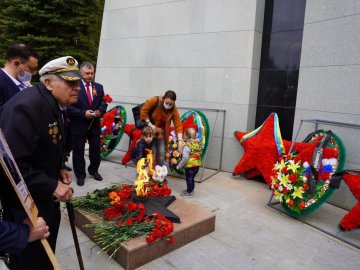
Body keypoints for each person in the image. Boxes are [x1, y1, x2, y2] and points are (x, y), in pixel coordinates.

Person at [0, 56, 79, 269]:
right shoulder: (27, 108)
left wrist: (59, 166)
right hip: (26, 207)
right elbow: (11, 165)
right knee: (33, 261)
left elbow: (48, 143)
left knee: (44, 259)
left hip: (42, 196)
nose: (77, 87)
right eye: (70, 82)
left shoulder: (52, 102)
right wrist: (53, 185)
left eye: (78, 82)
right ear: (48, 83)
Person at [67, 62, 107, 186]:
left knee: (95, 150)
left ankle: (93, 170)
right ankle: (80, 175)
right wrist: (83, 113)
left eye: (92, 73)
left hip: (94, 125)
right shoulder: (74, 86)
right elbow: (68, 107)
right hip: (78, 124)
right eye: (87, 73)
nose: (90, 76)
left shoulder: (99, 87)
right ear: (80, 73)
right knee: (78, 151)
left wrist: (100, 111)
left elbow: (103, 103)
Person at [140, 90, 183, 166]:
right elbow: (143, 111)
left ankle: (159, 173)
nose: (168, 106)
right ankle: (148, 173)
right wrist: (150, 124)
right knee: (152, 152)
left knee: (161, 154)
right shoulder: (155, 100)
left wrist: (180, 141)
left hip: (162, 134)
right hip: (150, 132)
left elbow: (178, 125)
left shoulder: (173, 110)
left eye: (171, 104)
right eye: (166, 103)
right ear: (163, 98)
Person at [0, 43, 39, 107]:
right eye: (31, 68)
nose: (34, 73)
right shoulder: (1, 82)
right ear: (17, 63)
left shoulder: (22, 83)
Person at [176, 125, 202, 197]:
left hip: (190, 166)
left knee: (189, 179)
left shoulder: (187, 146)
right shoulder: (197, 144)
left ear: (187, 136)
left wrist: (179, 165)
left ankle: (190, 192)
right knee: (192, 178)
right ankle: (190, 190)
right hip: (197, 165)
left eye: (184, 134)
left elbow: (185, 157)